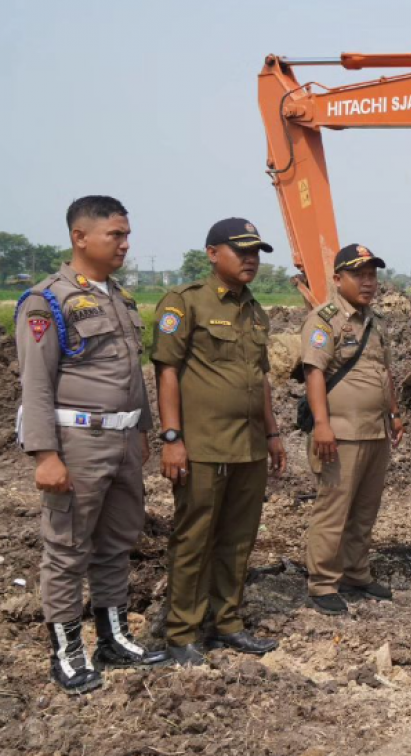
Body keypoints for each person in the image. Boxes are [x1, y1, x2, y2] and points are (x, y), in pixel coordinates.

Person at [16, 196, 168, 694]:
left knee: (118, 543)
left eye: (127, 235)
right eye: (116, 235)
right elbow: (36, 384)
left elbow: (132, 375)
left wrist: (142, 431)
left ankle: (114, 637)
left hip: (123, 440)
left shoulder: (119, 298)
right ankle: (67, 650)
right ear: (80, 237)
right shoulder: (48, 300)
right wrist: (45, 454)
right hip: (77, 441)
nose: (126, 244)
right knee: (67, 549)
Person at [151, 218, 286, 665]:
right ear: (212, 253)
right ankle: (182, 633)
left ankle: (226, 623)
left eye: (256, 252)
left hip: (248, 445)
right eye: (241, 250)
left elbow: (260, 378)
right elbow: (166, 371)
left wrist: (273, 433)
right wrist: (172, 438)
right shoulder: (186, 302)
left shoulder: (255, 310)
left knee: (238, 538)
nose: (251, 259)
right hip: (203, 446)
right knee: (195, 538)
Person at [300, 244, 404, 615]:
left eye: (372, 275)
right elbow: (314, 373)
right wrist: (323, 425)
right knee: (334, 509)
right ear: (338, 279)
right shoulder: (325, 319)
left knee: (365, 508)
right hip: (340, 434)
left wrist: (394, 412)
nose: (368, 282)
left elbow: (384, 370)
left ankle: (356, 572)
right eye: (359, 275)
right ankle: (323, 582)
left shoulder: (374, 321)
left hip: (375, 431)